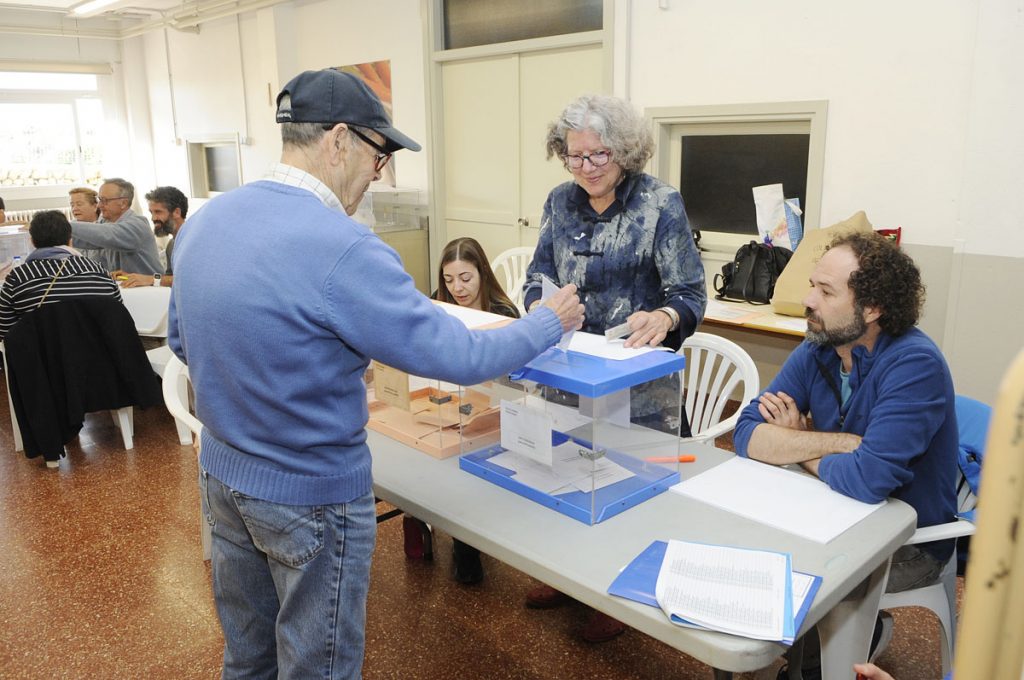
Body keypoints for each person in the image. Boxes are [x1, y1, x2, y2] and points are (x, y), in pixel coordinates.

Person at [167, 68, 584, 680]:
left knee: (248, 657)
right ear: (338, 141)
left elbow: (185, 339)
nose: (379, 172)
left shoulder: (206, 220)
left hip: (222, 477)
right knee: (319, 667)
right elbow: (463, 358)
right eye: (379, 153)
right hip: (308, 494)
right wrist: (548, 321)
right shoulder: (344, 247)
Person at [521, 94, 707, 643]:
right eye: (574, 157)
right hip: (571, 371)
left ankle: (617, 593)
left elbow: (691, 292)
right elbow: (537, 274)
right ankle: (567, 575)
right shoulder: (560, 202)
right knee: (567, 474)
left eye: (598, 154)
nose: (586, 168)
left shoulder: (659, 203)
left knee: (632, 487)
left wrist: (666, 315)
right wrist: (539, 303)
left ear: (625, 151)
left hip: (638, 379)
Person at [733, 232, 958, 679]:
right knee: (748, 553)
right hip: (834, 512)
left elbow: (869, 479)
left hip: (908, 542)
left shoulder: (915, 364)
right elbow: (745, 433)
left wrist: (795, 445)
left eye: (826, 291)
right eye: (812, 285)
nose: (808, 300)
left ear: (872, 308)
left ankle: (833, 654)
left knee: (801, 579)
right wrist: (836, 443)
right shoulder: (819, 346)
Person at [402, 237, 521, 583]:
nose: (457, 288)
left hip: (493, 415)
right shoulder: (437, 306)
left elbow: (510, 384)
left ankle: (465, 543)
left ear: (482, 273)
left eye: (466, 278)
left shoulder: (504, 314)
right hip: (445, 408)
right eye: (449, 279)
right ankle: (450, 534)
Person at [0, 210, 121, 342]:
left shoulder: (18, 277)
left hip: (43, 359)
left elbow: (5, 332)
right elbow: (119, 318)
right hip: (98, 356)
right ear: (70, 240)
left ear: (32, 241)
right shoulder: (99, 271)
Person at [69, 178, 162, 275]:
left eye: (104, 200)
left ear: (123, 203)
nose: (99, 205)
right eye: (99, 200)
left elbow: (108, 234)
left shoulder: (138, 224)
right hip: (126, 288)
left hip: (150, 288)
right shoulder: (106, 223)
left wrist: (63, 225)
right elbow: (85, 240)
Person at [114, 186, 188, 288]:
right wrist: (133, 277)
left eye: (158, 212)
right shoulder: (171, 244)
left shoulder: (194, 242)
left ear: (177, 212)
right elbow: (169, 278)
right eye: (151, 212)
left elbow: (190, 279)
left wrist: (150, 279)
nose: (153, 218)